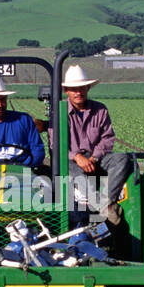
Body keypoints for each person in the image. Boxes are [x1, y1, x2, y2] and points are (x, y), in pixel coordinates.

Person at [50, 64, 132, 225]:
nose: (78, 92)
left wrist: (94, 157)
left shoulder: (100, 110)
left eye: (82, 88)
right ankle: (104, 206)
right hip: (72, 160)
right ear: (66, 90)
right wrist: (77, 156)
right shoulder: (59, 112)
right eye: (74, 89)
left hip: (96, 158)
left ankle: (107, 201)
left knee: (122, 159)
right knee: (72, 171)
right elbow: (55, 144)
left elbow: (107, 139)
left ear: (88, 88)